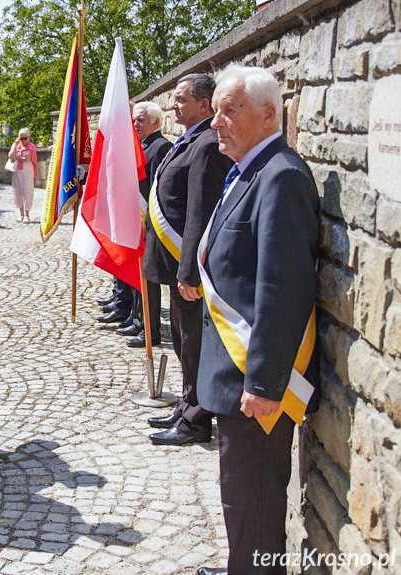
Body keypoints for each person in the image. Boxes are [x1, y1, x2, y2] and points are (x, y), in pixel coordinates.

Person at [193, 65, 320, 575]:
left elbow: (281, 287)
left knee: (257, 497)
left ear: (269, 115)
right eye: (216, 109)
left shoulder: (281, 176)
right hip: (236, 371)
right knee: (239, 495)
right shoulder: (249, 168)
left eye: (230, 111)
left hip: (258, 381)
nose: (216, 122)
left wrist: (265, 382)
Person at [143, 74, 232, 447]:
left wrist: (189, 271)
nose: (173, 105)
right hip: (174, 263)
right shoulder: (189, 140)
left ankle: (196, 420)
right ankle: (185, 404)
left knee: (192, 341)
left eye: (181, 99)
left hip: (187, 266)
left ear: (204, 104)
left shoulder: (208, 144)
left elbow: (199, 211)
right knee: (182, 340)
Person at [114, 102, 171, 347]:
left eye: (141, 120)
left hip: (148, 221)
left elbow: (157, 188)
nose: (135, 125)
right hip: (137, 220)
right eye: (134, 120)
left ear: (156, 122)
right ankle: (138, 319)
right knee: (138, 276)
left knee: (148, 279)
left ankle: (150, 329)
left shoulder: (159, 147)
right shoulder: (143, 145)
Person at [8, 128, 36, 224]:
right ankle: (21, 214)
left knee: (27, 191)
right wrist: (15, 146)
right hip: (17, 172)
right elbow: (10, 156)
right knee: (18, 191)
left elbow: (27, 158)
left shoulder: (31, 146)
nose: (23, 140)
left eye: (25, 138)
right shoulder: (16, 145)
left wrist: (16, 157)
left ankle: (27, 214)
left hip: (27, 172)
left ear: (29, 137)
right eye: (21, 138)